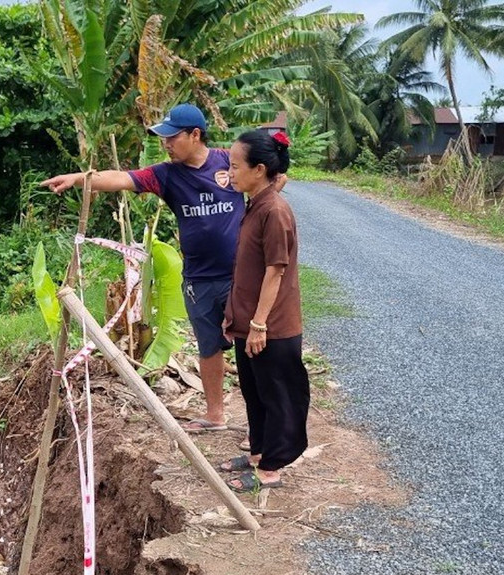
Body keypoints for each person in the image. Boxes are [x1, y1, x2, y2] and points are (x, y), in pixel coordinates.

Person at [40, 103, 241, 433]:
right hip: (198, 277)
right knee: (209, 346)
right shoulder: (166, 174)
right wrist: (79, 179)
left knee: (248, 348)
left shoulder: (228, 161)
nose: (166, 143)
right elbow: (121, 178)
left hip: (239, 275)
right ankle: (216, 415)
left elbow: (268, 175)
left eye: (172, 137)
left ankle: (263, 427)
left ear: (195, 135)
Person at [219, 128, 308, 492]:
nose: (231, 173)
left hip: (272, 326)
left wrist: (258, 324)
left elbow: (276, 270)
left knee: (276, 394)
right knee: (253, 391)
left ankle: (271, 468)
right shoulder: (256, 202)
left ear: (259, 170)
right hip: (249, 323)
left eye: (236, 166)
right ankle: (258, 452)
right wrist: (237, 318)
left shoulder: (275, 211)